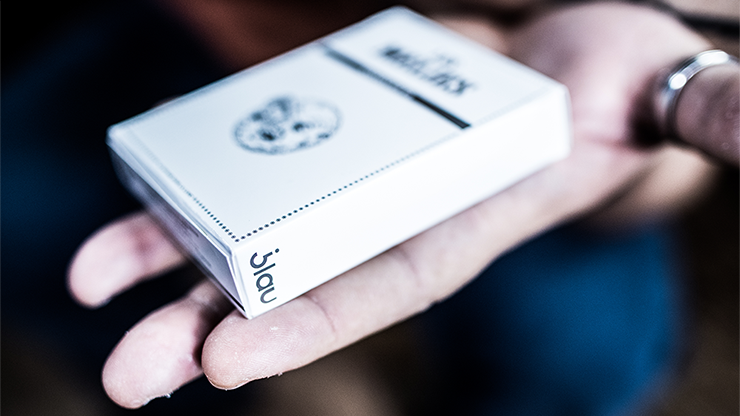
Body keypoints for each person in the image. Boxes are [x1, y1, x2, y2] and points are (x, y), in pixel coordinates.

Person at [59, 0, 740, 413]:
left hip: (539, 86)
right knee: (32, 219)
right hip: (203, 42)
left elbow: (705, 29)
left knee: (582, 357)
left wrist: (635, 148)